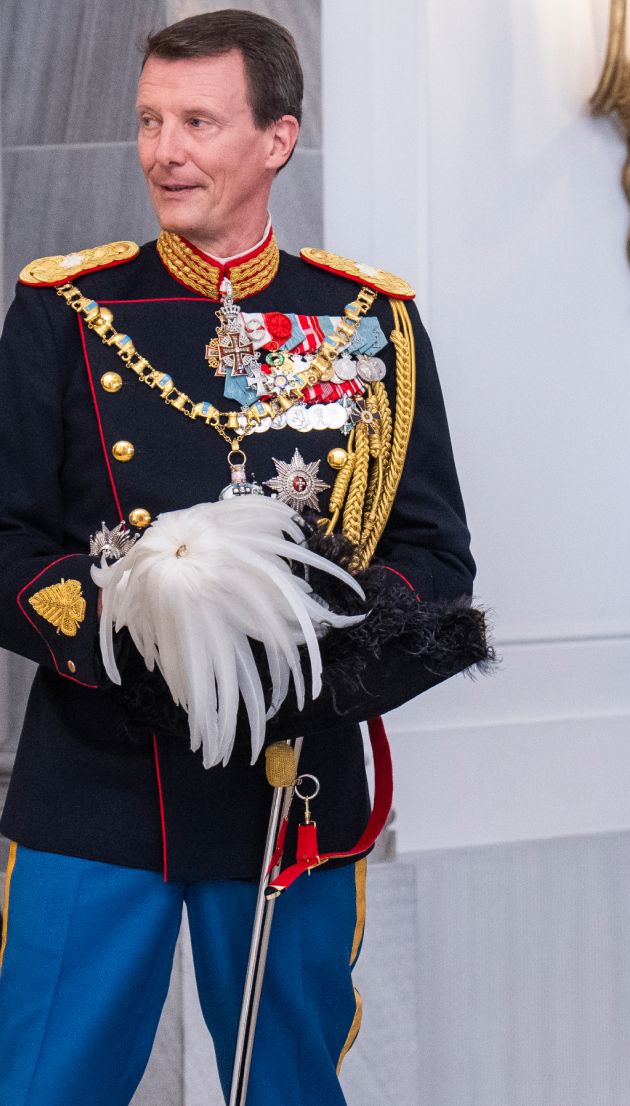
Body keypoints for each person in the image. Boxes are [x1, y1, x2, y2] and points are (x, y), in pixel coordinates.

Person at [0, 10, 480, 1106]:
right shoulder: (66, 310)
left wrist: (310, 663)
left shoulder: (368, 321)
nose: (165, 150)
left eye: (199, 122)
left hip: (288, 781)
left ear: (277, 139)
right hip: (99, 776)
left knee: (289, 1088)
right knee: (43, 1083)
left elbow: (434, 554)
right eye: (151, 121)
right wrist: (135, 623)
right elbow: (7, 537)